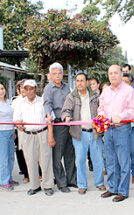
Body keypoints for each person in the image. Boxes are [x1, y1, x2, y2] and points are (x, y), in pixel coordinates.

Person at [61, 73, 106, 195]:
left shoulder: (96, 96)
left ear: (87, 82)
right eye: (77, 81)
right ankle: (82, 185)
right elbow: (65, 110)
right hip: (79, 133)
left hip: (94, 133)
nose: (79, 83)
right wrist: (66, 117)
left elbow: (103, 110)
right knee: (80, 160)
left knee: (97, 160)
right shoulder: (71, 96)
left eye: (82, 81)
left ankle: (99, 183)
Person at [98, 65, 134, 202]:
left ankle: (123, 191)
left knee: (123, 161)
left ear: (121, 74)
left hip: (122, 128)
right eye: (110, 73)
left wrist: (121, 116)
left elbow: (133, 111)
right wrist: (103, 116)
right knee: (110, 160)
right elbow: (100, 108)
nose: (113, 76)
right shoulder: (106, 91)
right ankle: (113, 188)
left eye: (115, 73)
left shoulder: (129, 91)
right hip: (108, 129)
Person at [14, 79, 54, 196]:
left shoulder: (43, 102)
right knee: (30, 161)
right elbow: (16, 118)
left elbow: (50, 119)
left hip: (42, 133)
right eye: (26, 89)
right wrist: (18, 124)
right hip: (28, 135)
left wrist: (50, 136)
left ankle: (47, 185)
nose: (29, 91)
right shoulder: (20, 103)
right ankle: (34, 186)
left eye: (31, 88)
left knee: (45, 160)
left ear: (36, 89)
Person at [43, 62, 77, 193]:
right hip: (57, 123)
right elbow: (47, 104)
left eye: (59, 73)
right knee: (57, 156)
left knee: (70, 153)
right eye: (54, 73)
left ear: (63, 74)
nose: (57, 76)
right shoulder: (48, 89)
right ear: (50, 75)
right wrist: (49, 117)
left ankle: (71, 180)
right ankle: (61, 183)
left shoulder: (66, 87)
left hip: (68, 122)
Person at [0, 80, 18, 191]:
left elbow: (12, 118)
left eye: (2, 89)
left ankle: (9, 178)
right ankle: (4, 182)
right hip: (1, 133)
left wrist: (14, 131)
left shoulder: (8, 101)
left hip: (10, 131)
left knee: (10, 157)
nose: (1, 91)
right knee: (3, 158)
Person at [11, 79, 29, 183]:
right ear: (18, 90)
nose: (24, 89)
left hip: (31, 130)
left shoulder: (34, 99)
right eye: (22, 87)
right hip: (19, 131)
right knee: (21, 152)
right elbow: (12, 117)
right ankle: (25, 173)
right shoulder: (15, 102)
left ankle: (38, 173)